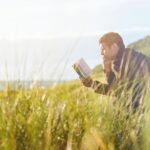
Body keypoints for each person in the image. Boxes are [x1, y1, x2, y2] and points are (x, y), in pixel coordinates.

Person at [80, 32, 150, 112]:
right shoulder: (122, 59)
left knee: (118, 105)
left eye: (103, 49)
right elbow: (117, 89)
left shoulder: (128, 61)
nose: (101, 53)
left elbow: (118, 92)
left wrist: (108, 71)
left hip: (145, 105)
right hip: (143, 102)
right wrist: (92, 84)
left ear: (113, 47)